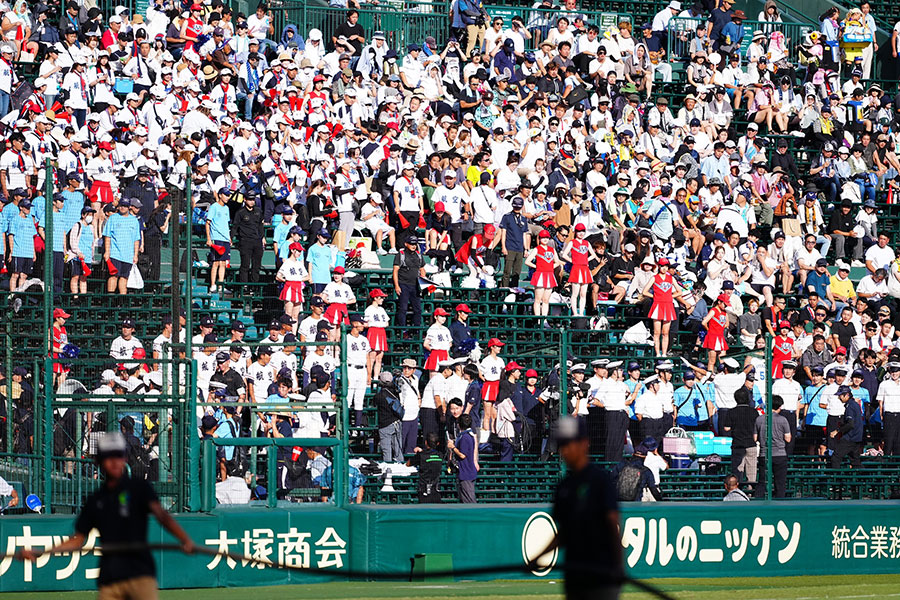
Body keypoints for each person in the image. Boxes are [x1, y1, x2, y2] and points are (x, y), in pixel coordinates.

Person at [16, 432, 194, 595]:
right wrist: (42, 552)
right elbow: (78, 540)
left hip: (140, 575)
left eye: (118, 455)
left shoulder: (139, 488)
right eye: (109, 457)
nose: (115, 462)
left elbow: (162, 516)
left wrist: (184, 539)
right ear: (99, 462)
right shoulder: (96, 500)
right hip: (110, 579)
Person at [529, 417, 623, 600]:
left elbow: (613, 526)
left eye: (569, 444)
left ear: (584, 444)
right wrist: (538, 559)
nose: (565, 451)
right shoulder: (564, 486)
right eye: (562, 445)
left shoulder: (600, 481)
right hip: (574, 575)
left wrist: (618, 566)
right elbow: (564, 533)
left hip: (601, 573)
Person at [754, 395, 791, 498]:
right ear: (779, 406)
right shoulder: (783, 420)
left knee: (762, 481)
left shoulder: (759, 419)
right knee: (780, 483)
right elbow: (788, 438)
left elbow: (755, 437)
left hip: (764, 454)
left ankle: (758, 503)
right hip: (779, 454)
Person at [447, 413, 478, 503]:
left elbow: (463, 455)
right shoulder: (468, 435)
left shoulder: (465, 437)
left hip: (466, 471)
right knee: (464, 498)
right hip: (465, 471)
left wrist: (453, 447)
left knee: (469, 499)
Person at [831, 384, 863, 468]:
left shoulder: (850, 406)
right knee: (855, 461)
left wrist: (837, 431)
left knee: (836, 457)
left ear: (847, 395)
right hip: (856, 437)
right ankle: (865, 479)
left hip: (850, 437)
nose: (839, 397)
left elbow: (850, 424)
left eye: (841, 395)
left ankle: (835, 478)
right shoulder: (854, 404)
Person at [408, 431, 443, 503]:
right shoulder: (440, 455)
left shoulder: (421, 456)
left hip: (424, 492)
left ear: (426, 442)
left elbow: (408, 464)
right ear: (438, 443)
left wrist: (420, 452)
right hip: (436, 491)